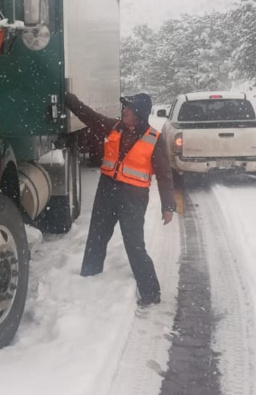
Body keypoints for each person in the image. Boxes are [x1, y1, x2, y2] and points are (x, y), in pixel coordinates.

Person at [64, 92, 176, 307]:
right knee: (97, 236)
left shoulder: (154, 138)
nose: (124, 111)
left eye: (129, 109)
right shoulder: (114, 127)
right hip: (106, 190)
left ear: (140, 114)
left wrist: (168, 205)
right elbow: (88, 115)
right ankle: (89, 278)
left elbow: (164, 174)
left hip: (134, 197)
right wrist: (69, 99)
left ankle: (151, 293)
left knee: (134, 244)